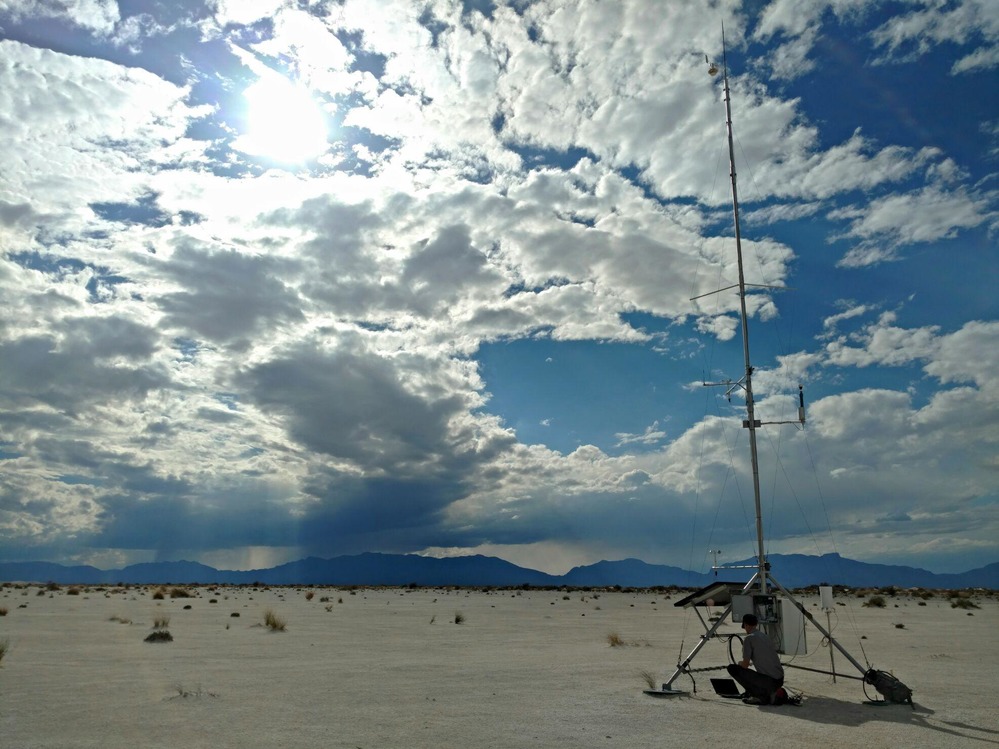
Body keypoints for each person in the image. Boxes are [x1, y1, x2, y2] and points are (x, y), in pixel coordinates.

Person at [727, 613, 786, 705]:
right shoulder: (764, 636)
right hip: (779, 680)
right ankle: (769, 692)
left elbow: (745, 665)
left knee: (733, 669)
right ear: (756, 624)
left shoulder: (749, 638)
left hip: (769, 682)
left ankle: (759, 696)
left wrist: (739, 663)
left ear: (745, 625)